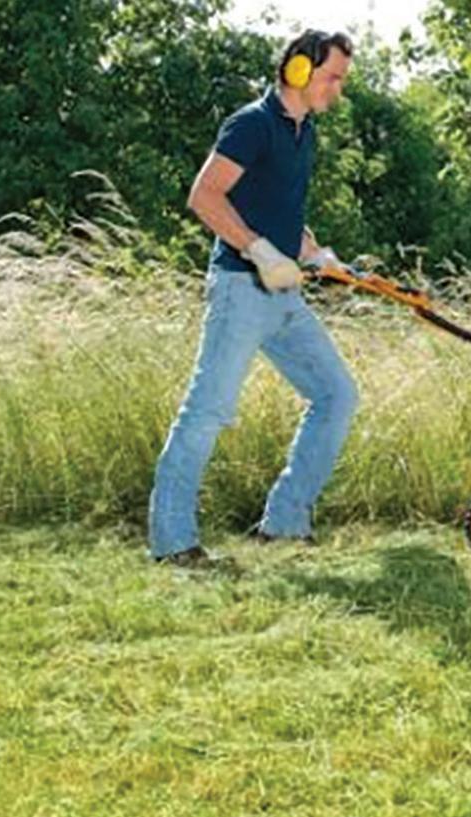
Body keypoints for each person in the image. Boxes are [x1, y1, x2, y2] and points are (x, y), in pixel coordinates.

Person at [148, 30, 358, 565]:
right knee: (207, 411)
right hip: (240, 290)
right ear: (298, 69)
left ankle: (284, 524)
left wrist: (316, 254)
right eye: (332, 77)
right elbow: (204, 196)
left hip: (284, 296)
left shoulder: (303, 132)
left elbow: (279, 209)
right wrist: (258, 250)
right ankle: (172, 543)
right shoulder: (252, 124)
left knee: (336, 394)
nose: (337, 90)